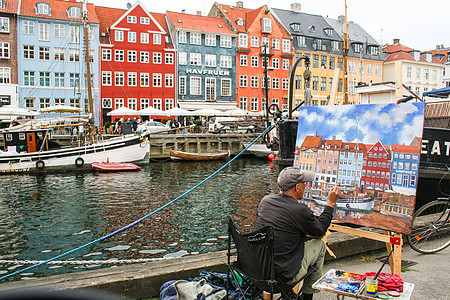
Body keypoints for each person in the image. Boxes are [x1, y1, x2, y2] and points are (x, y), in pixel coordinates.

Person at [254, 167, 340, 300]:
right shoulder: (299, 210)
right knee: (320, 245)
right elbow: (320, 231)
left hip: (258, 271)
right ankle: (307, 296)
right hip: (283, 276)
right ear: (297, 187)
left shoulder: (265, 201)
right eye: (305, 184)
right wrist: (331, 203)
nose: (306, 186)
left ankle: (279, 295)